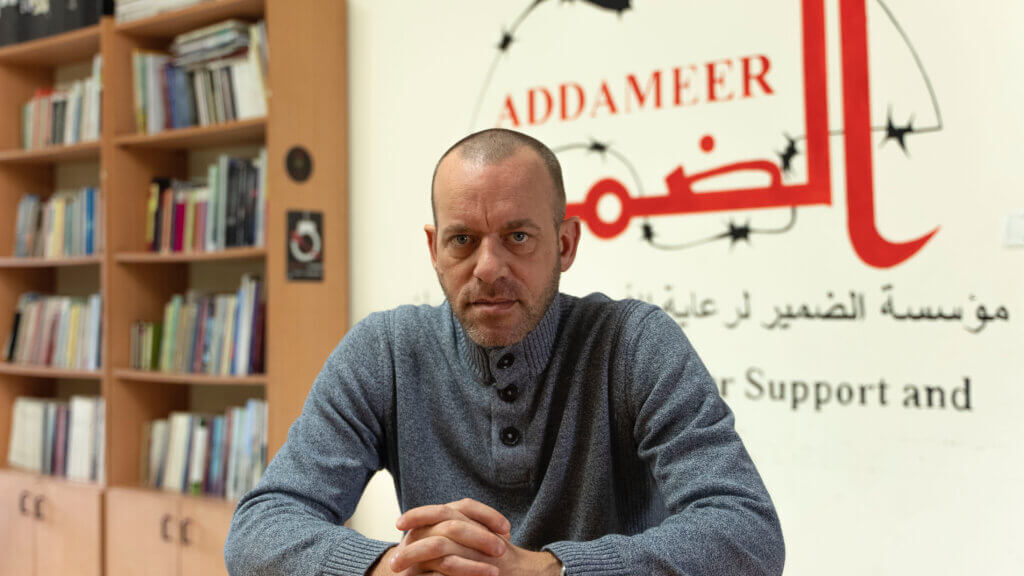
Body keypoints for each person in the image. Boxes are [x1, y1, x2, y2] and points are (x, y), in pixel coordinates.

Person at [224, 128, 784, 576]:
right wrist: (390, 566)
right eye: (463, 239)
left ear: (565, 245)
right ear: (434, 249)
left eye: (518, 237)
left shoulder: (633, 343)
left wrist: (547, 571)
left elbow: (747, 534)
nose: (488, 268)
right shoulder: (384, 352)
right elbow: (259, 528)